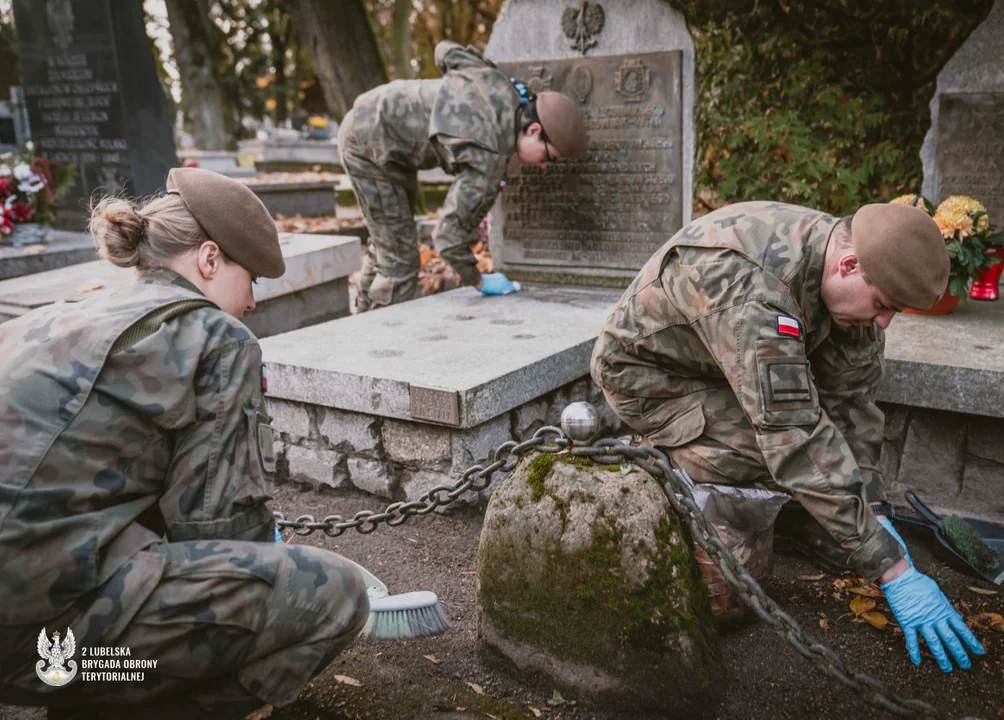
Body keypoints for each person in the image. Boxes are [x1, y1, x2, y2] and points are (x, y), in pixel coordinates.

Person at [0, 168, 369, 718]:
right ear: (210, 259)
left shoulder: (53, 317)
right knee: (334, 593)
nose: (250, 304)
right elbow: (222, 531)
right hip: (41, 648)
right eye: (253, 282)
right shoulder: (216, 338)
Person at [591, 200, 985, 673]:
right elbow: (792, 436)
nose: (884, 323)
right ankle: (686, 464)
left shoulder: (849, 274)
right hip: (652, 376)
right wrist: (893, 570)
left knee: (820, 448)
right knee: (776, 453)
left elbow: (852, 403)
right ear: (849, 265)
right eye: (882, 305)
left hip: (723, 362)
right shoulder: (754, 293)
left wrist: (876, 514)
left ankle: (818, 517)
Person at [339, 40, 587, 312]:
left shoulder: (498, 83)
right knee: (401, 261)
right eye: (548, 157)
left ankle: (359, 316)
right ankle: (377, 340)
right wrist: (478, 280)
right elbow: (447, 236)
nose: (545, 166)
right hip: (367, 145)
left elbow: (444, 51)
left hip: (379, 129)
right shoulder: (488, 156)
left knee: (389, 239)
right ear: (533, 130)